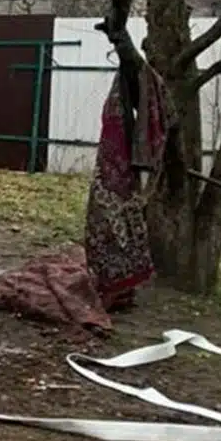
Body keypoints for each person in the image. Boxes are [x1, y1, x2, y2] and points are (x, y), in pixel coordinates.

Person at [86, 61, 163, 309]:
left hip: (121, 171)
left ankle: (117, 290)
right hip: (112, 170)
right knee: (104, 227)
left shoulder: (140, 85)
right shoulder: (128, 88)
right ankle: (117, 289)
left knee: (114, 228)